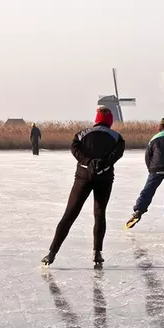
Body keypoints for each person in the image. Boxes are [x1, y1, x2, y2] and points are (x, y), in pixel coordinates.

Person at [42, 107, 125, 266]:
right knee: (99, 214)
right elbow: (117, 154)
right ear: (110, 121)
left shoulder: (82, 134)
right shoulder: (117, 137)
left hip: (83, 177)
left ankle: (52, 252)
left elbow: (74, 149)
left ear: (96, 119)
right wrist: (102, 164)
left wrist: (87, 162)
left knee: (70, 214)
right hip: (105, 178)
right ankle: (97, 253)